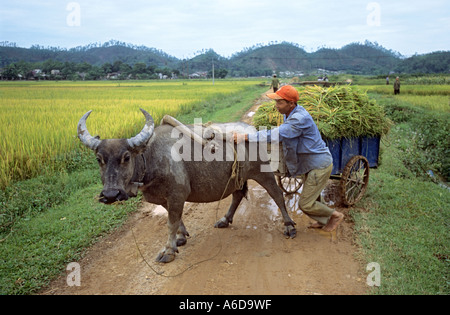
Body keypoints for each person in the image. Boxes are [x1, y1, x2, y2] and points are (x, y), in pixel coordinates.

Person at [232, 85, 344, 232]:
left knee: (305, 204)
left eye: (280, 102)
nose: (276, 106)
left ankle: (335, 216)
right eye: (276, 102)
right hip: (308, 164)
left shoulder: (299, 118)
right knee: (314, 196)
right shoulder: (289, 114)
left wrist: (245, 137)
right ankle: (323, 220)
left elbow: (275, 134)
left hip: (319, 165)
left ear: (291, 103)